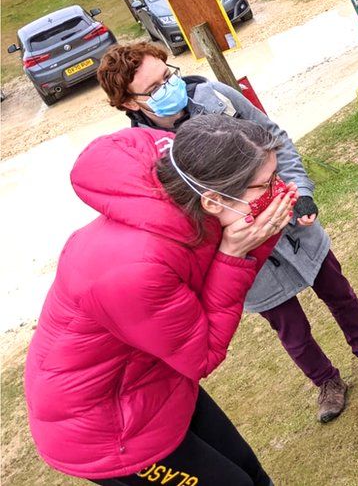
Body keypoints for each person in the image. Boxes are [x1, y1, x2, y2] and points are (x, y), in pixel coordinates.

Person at [96, 42, 358, 424]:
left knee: (338, 290)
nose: (170, 87)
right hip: (243, 255)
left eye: (169, 75)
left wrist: (301, 195)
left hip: (291, 224)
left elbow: (273, 136)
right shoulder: (143, 156)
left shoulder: (216, 98)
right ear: (130, 103)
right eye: (155, 88)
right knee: (291, 328)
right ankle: (327, 382)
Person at [25, 116, 293, 485]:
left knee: (249, 471)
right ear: (214, 200)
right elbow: (203, 354)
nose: (276, 190)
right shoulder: (137, 270)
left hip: (154, 384)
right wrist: (235, 254)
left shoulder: (188, 196)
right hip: (108, 430)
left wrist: (252, 241)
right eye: (264, 185)